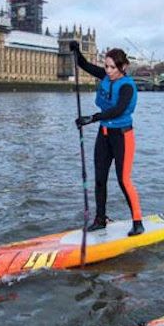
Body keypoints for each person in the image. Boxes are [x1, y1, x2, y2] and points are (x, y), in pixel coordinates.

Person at [69, 41, 145, 236]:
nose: (109, 71)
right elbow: (84, 65)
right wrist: (76, 50)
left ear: (123, 67)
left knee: (123, 180)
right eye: (107, 66)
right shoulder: (105, 76)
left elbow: (117, 110)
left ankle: (138, 222)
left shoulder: (127, 86)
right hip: (104, 136)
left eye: (113, 67)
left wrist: (92, 118)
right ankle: (100, 219)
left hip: (122, 137)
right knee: (100, 180)